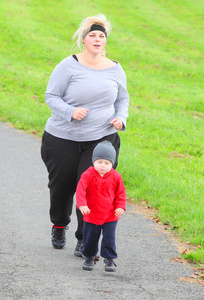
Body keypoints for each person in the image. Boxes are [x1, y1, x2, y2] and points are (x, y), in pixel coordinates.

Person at [40, 14, 129, 255]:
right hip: (62, 137)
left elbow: (122, 99)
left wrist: (121, 118)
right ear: (84, 40)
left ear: (105, 42)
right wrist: (70, 111)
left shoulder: (115, 69)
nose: (97, 39)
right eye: (92, 35)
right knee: (61, 186)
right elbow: (51, 96)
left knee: (91, 188)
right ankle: (59, 224)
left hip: (101, 139)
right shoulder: (68, 65)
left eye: (102, 36)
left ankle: (85, 238)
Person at [76, 141, 126, 271]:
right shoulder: (87, 175)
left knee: (109, 239)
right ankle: (89, 257)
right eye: (99, 162)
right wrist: (82, 205)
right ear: (93, 161)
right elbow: (81, 190)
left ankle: (109, 259)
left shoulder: (116, 176)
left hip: (110, 216)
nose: (103, 166)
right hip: (91, 215)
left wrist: (120, 206)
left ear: (112, 163)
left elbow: (121, 193)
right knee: (90, 239)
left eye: (107, 163)